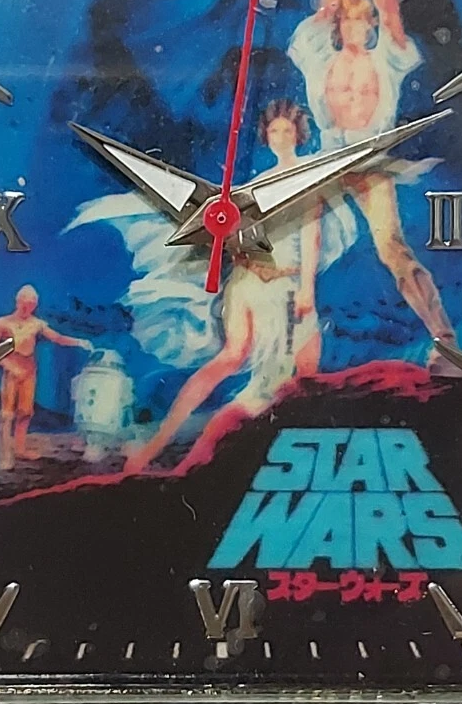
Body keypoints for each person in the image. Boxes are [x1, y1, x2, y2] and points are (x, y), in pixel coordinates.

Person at [288, 0, 457, 353]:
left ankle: (443, 335)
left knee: (392, 249)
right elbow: (327, 3)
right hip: (329, 160)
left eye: (361, 22)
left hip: (371, 162)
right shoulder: (321, 59)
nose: (354, 28)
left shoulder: (387, 59)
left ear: (370, 26)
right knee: (305, 231)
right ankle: (301, 321)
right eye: (347, 22)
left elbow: (391, 9)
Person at [126, 101, 322, 472]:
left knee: (282, 367)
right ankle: (178, 456)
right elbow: (249, 236)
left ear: (299, 135)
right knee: (267, 375)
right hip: (266, 287)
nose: (281, 137)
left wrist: (306, 286)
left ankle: (160, 449)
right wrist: (297, 285)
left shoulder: (301, 177)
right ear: (267, 137)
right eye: (274, 131)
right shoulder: (259, 185)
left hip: (279, 283)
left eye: (287, 130)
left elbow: (311, 233)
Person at [0, 285, 93, 470]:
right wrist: (8, 365)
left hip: (29, 370)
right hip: (12, 370)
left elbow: (57, 338)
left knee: (25, 412)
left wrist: (79, 342)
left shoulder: (37, 324)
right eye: (24, 303)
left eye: (31, 304)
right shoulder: (3, 323)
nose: (27, 308)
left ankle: (20, 449)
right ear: (17, 302)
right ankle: (5, 455)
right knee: (7, 414)